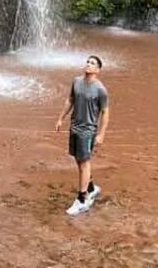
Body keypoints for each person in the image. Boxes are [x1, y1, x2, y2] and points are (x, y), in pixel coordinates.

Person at [55, 54, 110, 216]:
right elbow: (70, 100)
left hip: (88, 131)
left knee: (84, 162)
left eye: (93, 63)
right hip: (75, 127)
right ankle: (91, 188)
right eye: (88, 61)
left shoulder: (100, 90)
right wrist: (60, 119)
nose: (88, 64)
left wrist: (101, 134)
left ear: (98, 70)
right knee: (79, 160)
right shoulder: (76, 82)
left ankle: (81, 199)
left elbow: (106, 112)